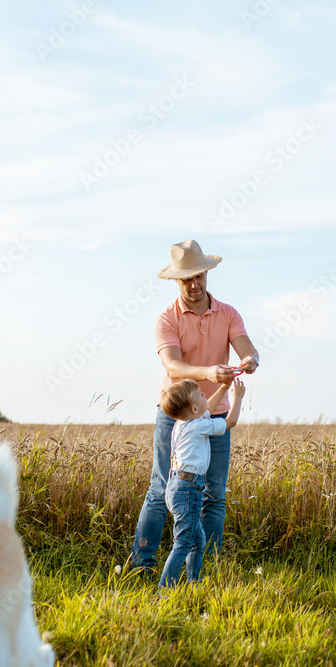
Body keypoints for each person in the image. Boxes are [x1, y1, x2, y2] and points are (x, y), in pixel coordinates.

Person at [131, 239, 259, 574]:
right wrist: (208, 372)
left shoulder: (228, 313)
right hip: (175, 413)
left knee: (214, 495)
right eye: (186, 278)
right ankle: (142, 565)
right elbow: (173, 367)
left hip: (215, 409)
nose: (193, 283)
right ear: (176, 280)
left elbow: (246, 346)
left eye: (198, 276)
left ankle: (202, 568)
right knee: (161, 488)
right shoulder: (167, 319)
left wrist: (250, 358)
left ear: (206, 274)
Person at [157, 377, 245, 589]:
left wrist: (223, 387)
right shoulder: (198, 427)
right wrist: (237, 398)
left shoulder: (184, 423)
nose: (206, 396)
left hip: (178, 487)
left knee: (198, 540)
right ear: (194, 408)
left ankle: (193, 583)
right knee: (183, 543)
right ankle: (164, 590)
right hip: (188, 491)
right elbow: (229, 422)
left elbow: (207, 409)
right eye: (202, 395)